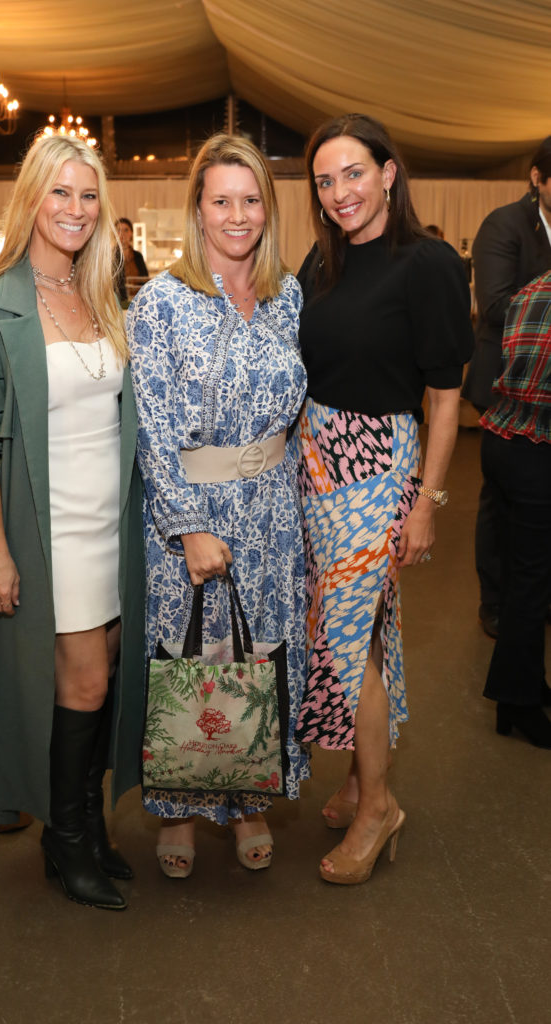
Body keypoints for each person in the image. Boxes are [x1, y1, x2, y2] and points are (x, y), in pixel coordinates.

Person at [0, 133, 145, 910]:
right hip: (48, 529)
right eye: (60, 193)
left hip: (112, 525)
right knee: (85, 682)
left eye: (88, 195)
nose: (75, 209)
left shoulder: (102, 296)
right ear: (32, 199)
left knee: (99, 682)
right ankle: (62, 837)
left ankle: (85, 828)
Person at [126, 133, 310, 878]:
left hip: (272, 511)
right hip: (189, 517)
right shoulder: (162, 304)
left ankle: (248, 799)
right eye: (220, 200)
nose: (237, 215)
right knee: (188, 664)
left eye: (250, 200)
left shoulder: (286, 294)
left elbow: (299, 411)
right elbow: (152, 427)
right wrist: (190, 527)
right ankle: (178, 809)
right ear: (197, 210)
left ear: (267, 209)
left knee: (258, 658)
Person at [296, 113, 473, 885]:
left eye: (354, 174)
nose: (340, 193)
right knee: (359, 632)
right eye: (325, 181)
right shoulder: (321, 260)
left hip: (376, 466)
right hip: (314, 462)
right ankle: (357, 779)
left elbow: (444, 394)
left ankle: (378, 807)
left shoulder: (427, 263)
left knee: (345, 636)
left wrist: (427, 500)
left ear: (389, 173)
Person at [463, 136, 551, 639]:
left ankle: (534, 595)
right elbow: (496, 306)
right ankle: (494, 600)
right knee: (501, 502)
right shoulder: (505, 224)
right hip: (506, 386)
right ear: (537, 178)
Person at [480, 270, 551, 748]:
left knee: (517, 575)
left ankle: (524, 685)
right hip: (538, 449)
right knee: (532, 584)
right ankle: (516, 701)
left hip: (502, 441)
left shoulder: (532, 288)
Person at [115, 217, 148, 303]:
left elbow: (145, 279)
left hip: (139, 301)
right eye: (119, 230)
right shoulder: (110, 257)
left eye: (126, 230)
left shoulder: (138, 256)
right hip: (119, 302)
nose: (122, 234)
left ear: (131, 233)